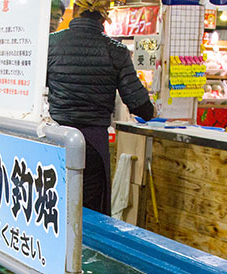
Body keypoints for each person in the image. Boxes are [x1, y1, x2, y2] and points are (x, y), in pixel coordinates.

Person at [47, 0, 154, 215]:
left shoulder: (51, 44)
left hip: (55, 140)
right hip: (94, 145)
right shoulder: (116, 51)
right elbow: (140, 106)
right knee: (90, 213)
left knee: (53, 206)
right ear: (104, 17)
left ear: (76, 10)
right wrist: (153, 112)